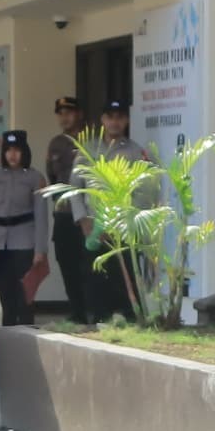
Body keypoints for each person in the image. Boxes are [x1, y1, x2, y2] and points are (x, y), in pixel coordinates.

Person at [84, 100, 156, 326]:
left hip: (124, 228)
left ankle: (130, 320)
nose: (114, 122)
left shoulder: (136, 151)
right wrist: (82, 219)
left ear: (126, 120)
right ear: (103, 120)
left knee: (125, 277)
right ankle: (98, 320)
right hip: (95, 226)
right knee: (96, 276)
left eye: (119, 117)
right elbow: (76, 185)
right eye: (110, 117)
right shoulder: (90, 149)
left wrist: (125, 220)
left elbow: (145, 189)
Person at [0, 129, 48, 328]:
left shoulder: (35, 178)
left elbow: (41, 217)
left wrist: (40, 250)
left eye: (17, 150)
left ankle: (27, 336)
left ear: (24, 152)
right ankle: (7, 339)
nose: (12, 155)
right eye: (8, 150)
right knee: (5, 296)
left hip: (24, 242)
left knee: (24, 297)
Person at [44, 94, 96, 326]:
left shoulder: (93, 140)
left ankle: (92, 311)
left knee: (88, 264)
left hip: (87, 214)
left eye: (69, 112)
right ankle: (77, 312)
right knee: (66, 263)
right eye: (60, 113)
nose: (65, 118)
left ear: (79, 114)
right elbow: (52, 176)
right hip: (64, 214)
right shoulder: (56, 143)